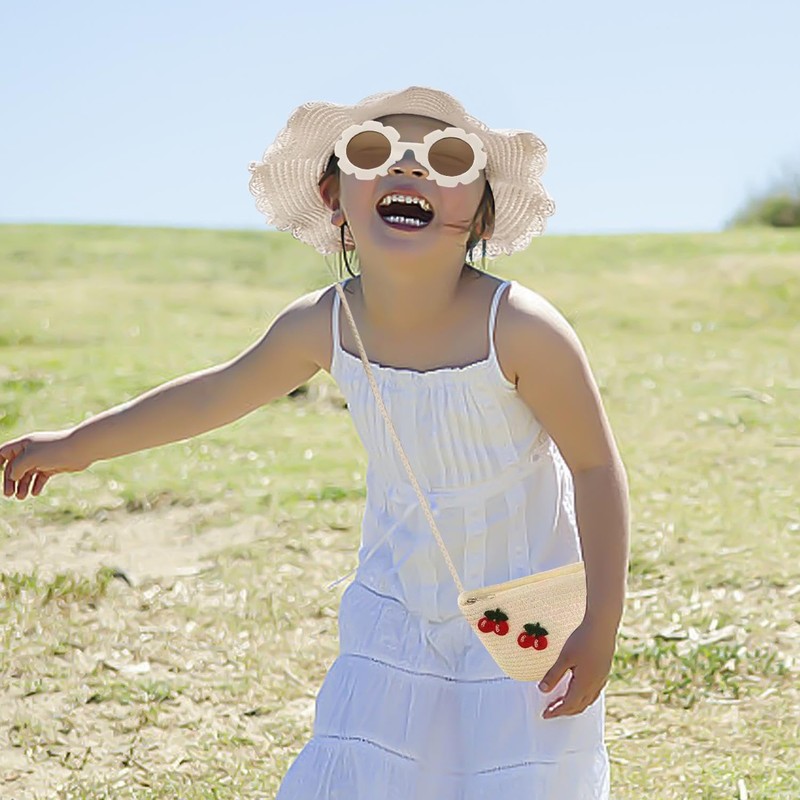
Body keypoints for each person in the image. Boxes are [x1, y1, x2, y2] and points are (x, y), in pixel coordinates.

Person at [1, 86, 629, 798]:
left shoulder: (519, 327)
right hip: (397, 600)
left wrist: (602, 619)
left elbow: (595, 467)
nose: (411, 170)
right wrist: (80, 444)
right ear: (335, 197)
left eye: (447, 160)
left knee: (512, 775)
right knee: (365, 767)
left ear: (480, 214)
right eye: (375, 152)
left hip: (527, 605)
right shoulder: (324, 323)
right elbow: (214, 394)